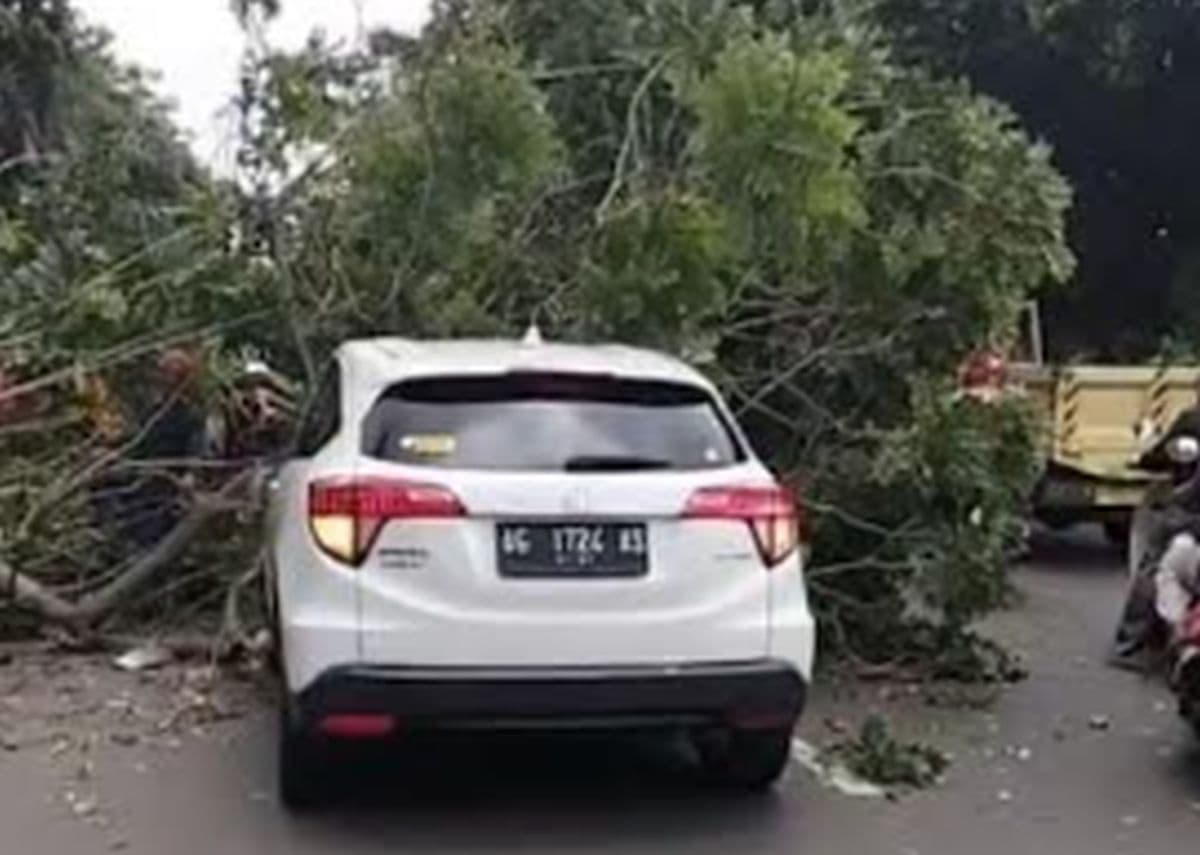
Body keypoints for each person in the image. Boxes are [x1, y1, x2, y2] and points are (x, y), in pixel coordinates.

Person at [1110, 377, 1200, 671]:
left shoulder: (1192, 419)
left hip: (1190, 517)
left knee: (1156, 563)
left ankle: (1128, 644)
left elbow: (1155, 458)